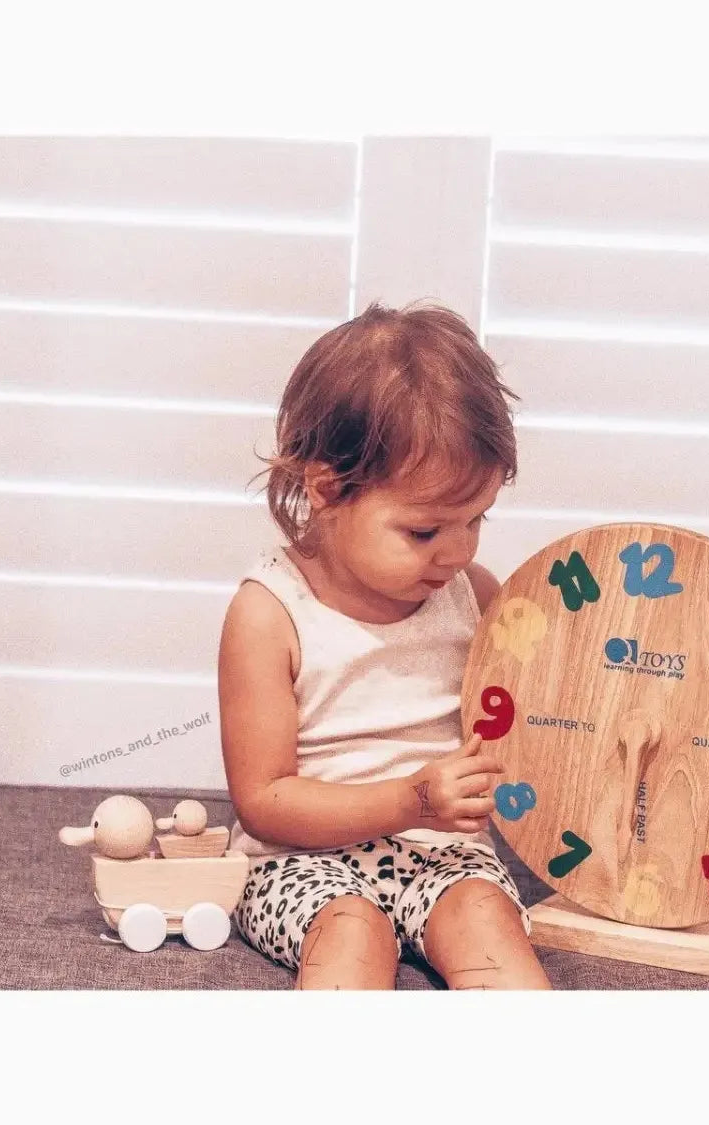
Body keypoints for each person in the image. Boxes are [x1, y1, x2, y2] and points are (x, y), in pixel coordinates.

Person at [218, 300, 551, 989]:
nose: (457, 552)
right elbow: (264, 799)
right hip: (300, 860)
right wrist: (411, 802)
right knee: (351, 933)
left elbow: (535, 721)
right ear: (327, 489)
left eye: (476, 520)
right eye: (425, 531)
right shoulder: (270, 614)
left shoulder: (474, 595)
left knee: (488, 924)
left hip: (446, 854)